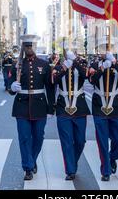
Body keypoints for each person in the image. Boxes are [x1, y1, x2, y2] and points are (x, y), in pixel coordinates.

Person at [9, 35, 55, 181]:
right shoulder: (17, 65)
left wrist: (51, 108)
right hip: (21, 105)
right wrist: (12, 87)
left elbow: (50, 87)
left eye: (32, 46)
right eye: (27, 46)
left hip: (40, 105)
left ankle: (32, 159)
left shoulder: (44, 64)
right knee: (24, 138)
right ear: (24, 47)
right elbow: (9, 84)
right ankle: (28, 168)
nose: (29, 49)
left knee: (38, 137)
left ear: (35, 47)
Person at [52, 50, 90, 180]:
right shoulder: (58, 67)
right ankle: (70, 170)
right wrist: (64, 67)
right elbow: (54, 81)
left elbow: (86, 76)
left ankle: (72, 161)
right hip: (63, 107)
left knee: (80, 141)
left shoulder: (80, 66)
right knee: (66, 141)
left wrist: (75, 62)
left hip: (79, 107)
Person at [89, 51, 118, 181]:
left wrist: (114, 64)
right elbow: (92, 80)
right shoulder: (94, 65)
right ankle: (105, 170)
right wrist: (103, 67)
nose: (104, 52)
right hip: (99, 105)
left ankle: (112, 157)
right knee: (102, 140)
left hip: (115, 105)